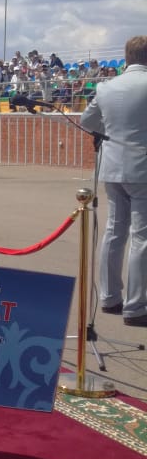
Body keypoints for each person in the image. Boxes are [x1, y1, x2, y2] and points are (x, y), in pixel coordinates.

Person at [82, 36, 147, 327]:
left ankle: (110, 297)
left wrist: (111, 130)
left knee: (114, 230)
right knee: (141, 238)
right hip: (142, 168)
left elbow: (87, 121)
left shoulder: (106, 87)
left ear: (127, 56)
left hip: (112, 165)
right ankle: (136, 306)